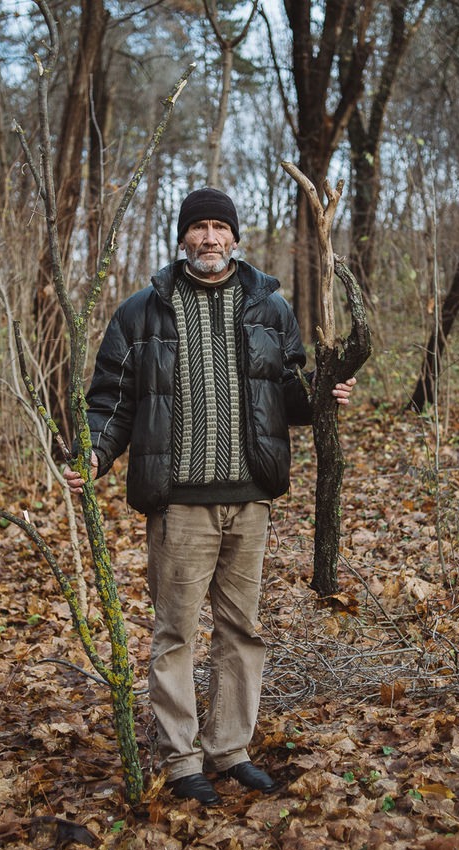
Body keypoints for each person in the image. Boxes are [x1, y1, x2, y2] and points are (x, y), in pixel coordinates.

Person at [63, 187, 355, 805]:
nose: (210, 238)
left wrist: (328, 391)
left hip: (251, 499)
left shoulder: (269, 308)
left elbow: (290, 391)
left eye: (221, 227)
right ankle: (181, 759)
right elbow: (110, 401)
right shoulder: (141, 312)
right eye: (200, 228)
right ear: (183, 237)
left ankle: (229, 749)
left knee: (241, 630)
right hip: (179, 503)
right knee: (175, 634)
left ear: (235, 237)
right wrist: (93, 454)